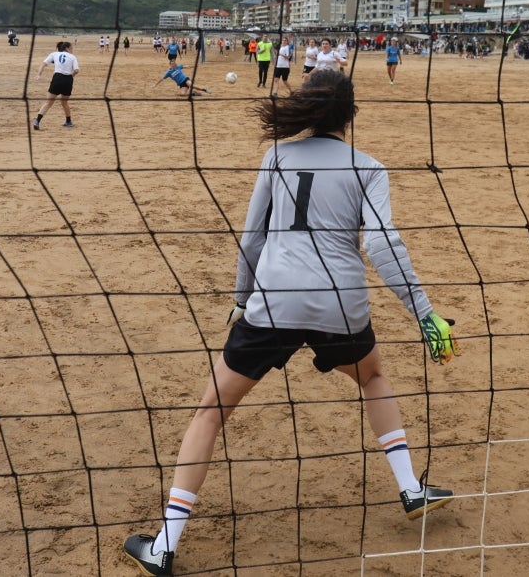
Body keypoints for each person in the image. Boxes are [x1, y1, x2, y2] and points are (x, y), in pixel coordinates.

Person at [123, 69, 459, 576]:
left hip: (274, 303)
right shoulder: (367, 167)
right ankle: (410, 488)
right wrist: (426, 314)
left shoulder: (276, 157)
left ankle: (165, 546)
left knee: (210, 412)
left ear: (305, 108)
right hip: (340, 306)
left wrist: (241, 300)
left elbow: (252, 239)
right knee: (372, 377)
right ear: (350, 114)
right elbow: (383, 245)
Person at [33, 41, 80, 130]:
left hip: (57, 78)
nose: (72, 50)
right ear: (67, 48)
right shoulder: (73, 57)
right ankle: (68, 121)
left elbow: (44, 64)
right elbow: (76, 70)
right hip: (68, 80)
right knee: (64, 103)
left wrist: (39, 74)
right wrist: (70, 77)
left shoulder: (54, 54)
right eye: (71, 48)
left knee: (48, 103)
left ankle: (37, 121)